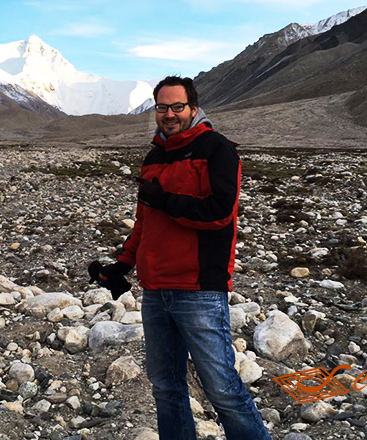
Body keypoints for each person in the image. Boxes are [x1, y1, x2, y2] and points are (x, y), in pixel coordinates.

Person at [98, 76, 271, 440]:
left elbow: (220, 212)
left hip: (198, 289)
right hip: (156, 290)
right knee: (166, 388)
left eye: (178, 107)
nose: (170, 114)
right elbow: (145, 219)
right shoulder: (155, 156)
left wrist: (167, 201)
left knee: (222, 389)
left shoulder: (216, 149)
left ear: (194, 108)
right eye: (163, 107)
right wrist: (121, 266)